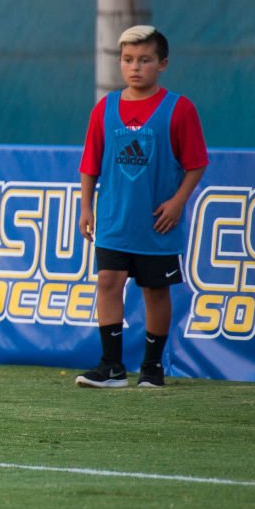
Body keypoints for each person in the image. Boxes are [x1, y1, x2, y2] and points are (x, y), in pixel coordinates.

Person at [76, 25, 208, 389]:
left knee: (155, 291)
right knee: (108, 282)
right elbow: (90, 164)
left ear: (162, 64)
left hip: (156, 222)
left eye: (145, 60)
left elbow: (197, 162)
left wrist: (177, 202)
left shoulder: (179, 109)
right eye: (128, 59)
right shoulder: (105, 109)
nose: (136, 67)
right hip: (114, 219)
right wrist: (86, 208)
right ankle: (112, 367)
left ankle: (151, 368)